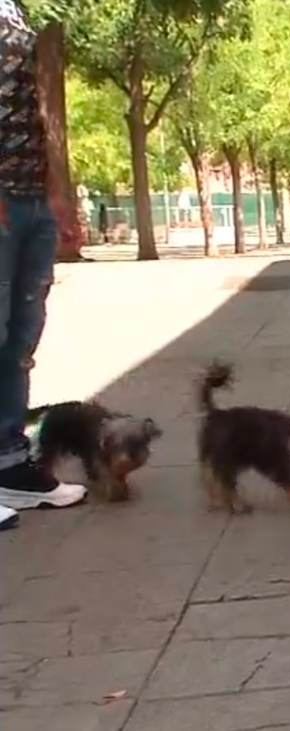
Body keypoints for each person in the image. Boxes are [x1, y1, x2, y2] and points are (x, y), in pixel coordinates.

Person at [0, 0, 89, 528]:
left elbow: (36, 104)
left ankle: (11, 466)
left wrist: (56, 189)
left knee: (19, 339)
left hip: (28, 196)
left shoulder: (20, 11)